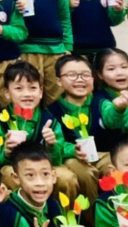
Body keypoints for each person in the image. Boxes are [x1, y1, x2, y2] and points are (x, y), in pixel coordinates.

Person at [0, 60, 76, 200]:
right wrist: (5, 153)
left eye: (32, 88)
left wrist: (51, 145)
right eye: (19, 88)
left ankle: (61, 212)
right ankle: (20, 212)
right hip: (14, 167)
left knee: (66, 177)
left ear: (41, 92)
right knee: (8, 173)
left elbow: (57, 160)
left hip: (43, 167)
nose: (27, 94)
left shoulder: (49, 120)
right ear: (6, 93)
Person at [7, 0, 71, 105]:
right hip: (25, 51)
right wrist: (16, 9)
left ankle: (54, 123)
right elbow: (5, 18)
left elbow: (64, 17)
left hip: (56, 51)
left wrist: (68, 47)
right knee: (27, 96)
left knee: (56, 99)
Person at [41, 54, 108, 203]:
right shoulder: (52, 111)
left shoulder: (102, 102)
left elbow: (113, 116)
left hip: (102, 154)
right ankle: (92, 216)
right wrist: (73, 150)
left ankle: (116, 211)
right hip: (71, 158)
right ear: (59, 81)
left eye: (85, 75)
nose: (79, 79)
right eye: (71, 75)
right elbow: (57, 144)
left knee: (114, 166)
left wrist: (120, 109)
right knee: (84, 174)